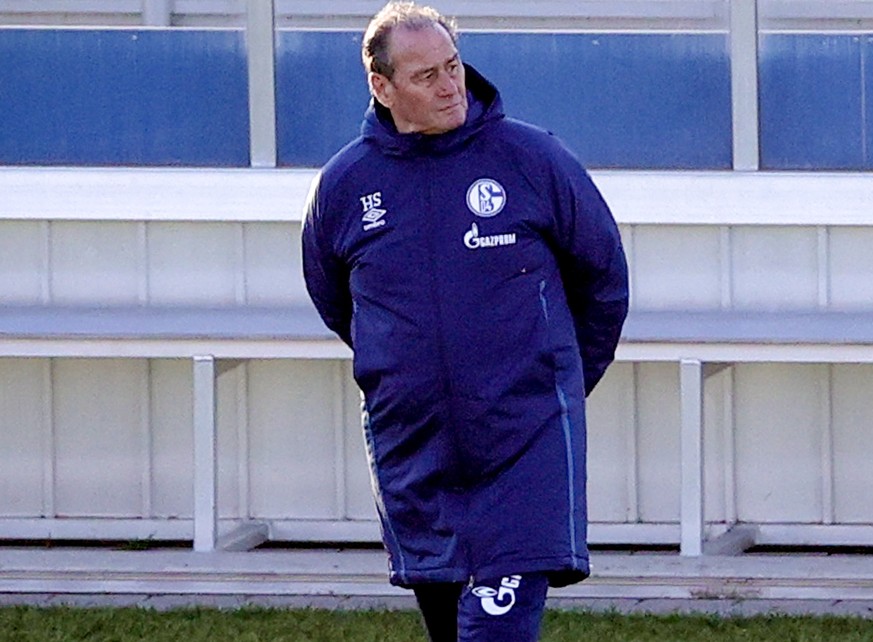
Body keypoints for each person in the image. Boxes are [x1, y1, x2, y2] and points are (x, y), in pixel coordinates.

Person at [301, 2, 629, 640]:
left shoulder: (532, 159)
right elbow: (338, 302)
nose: (450, 85)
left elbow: (603, 284)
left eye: (453, 66)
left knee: (495, 630)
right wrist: (405, 373)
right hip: (415, 448)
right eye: (426, 76)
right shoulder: (346, 185)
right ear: (382, 87)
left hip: (522, 441)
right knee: (451, 627)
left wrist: (552, 383)